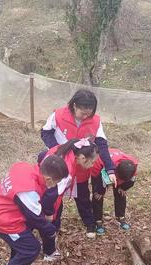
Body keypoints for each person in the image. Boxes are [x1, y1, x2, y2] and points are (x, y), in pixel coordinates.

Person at [0, 155, 69, 265]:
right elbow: (35, 218)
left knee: (22, 243)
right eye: (56, 182)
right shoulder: (29, 190)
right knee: (31, 248)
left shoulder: (25, 167)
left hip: (4, 211)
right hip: (3, 220)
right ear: (49, 179)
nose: (56, 185)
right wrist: (51, 231)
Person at [40, 89, 116, 238]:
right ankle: (54, 226)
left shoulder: (96, 121)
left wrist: (110, 169)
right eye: (83, 113)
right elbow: (45, 132)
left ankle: (89, 223)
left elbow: (102, 144)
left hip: (82, 168)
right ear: (74, 105)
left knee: (82, 197)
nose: (86, 116)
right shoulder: (58, 115)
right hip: (60, 167)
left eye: (90, 113)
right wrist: (58, 150)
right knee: (57, 197)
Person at [40, 138, 99, 236]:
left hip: (45, 187)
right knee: (51, 219)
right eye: (92, 162)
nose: (92, 165)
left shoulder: (65, 150)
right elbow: (51, 195)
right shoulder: (66, 170)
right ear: (83, 157)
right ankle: (51, 237)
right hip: (45, 193)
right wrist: (49, 213)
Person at [91, 148, 138, 235]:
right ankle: (97, 220)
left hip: (119, 171)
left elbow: (132, 180)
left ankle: (120, 217)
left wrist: (124, 187)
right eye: (118, 179)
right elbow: (96, 177)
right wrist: (100, 190)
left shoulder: (133, 165)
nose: (118, 181)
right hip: (101, 170)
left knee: (121, 193)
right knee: (97, 195)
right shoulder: (100, 163)